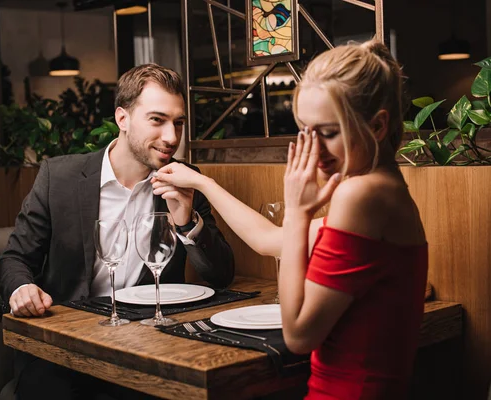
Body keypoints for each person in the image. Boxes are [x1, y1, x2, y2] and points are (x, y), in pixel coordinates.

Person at [153, 40, 428, 399]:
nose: (314, 149)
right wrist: (204, 182)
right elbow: (268, 239)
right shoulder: (387, 190)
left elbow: (298, 336)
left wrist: (299, 211)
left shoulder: (360, 195)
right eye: (305, 131)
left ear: (377, 126)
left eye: (327, 133)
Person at [0, 63, 234, 399]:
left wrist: (185, 221)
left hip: (148, 352)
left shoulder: (184, 178)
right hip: (65, 354)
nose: (171, 137)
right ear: (122, 119)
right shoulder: (59, 178)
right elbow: (14, 258)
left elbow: (221, 274)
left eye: (178, 123)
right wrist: (22, 287)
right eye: (157, 120)